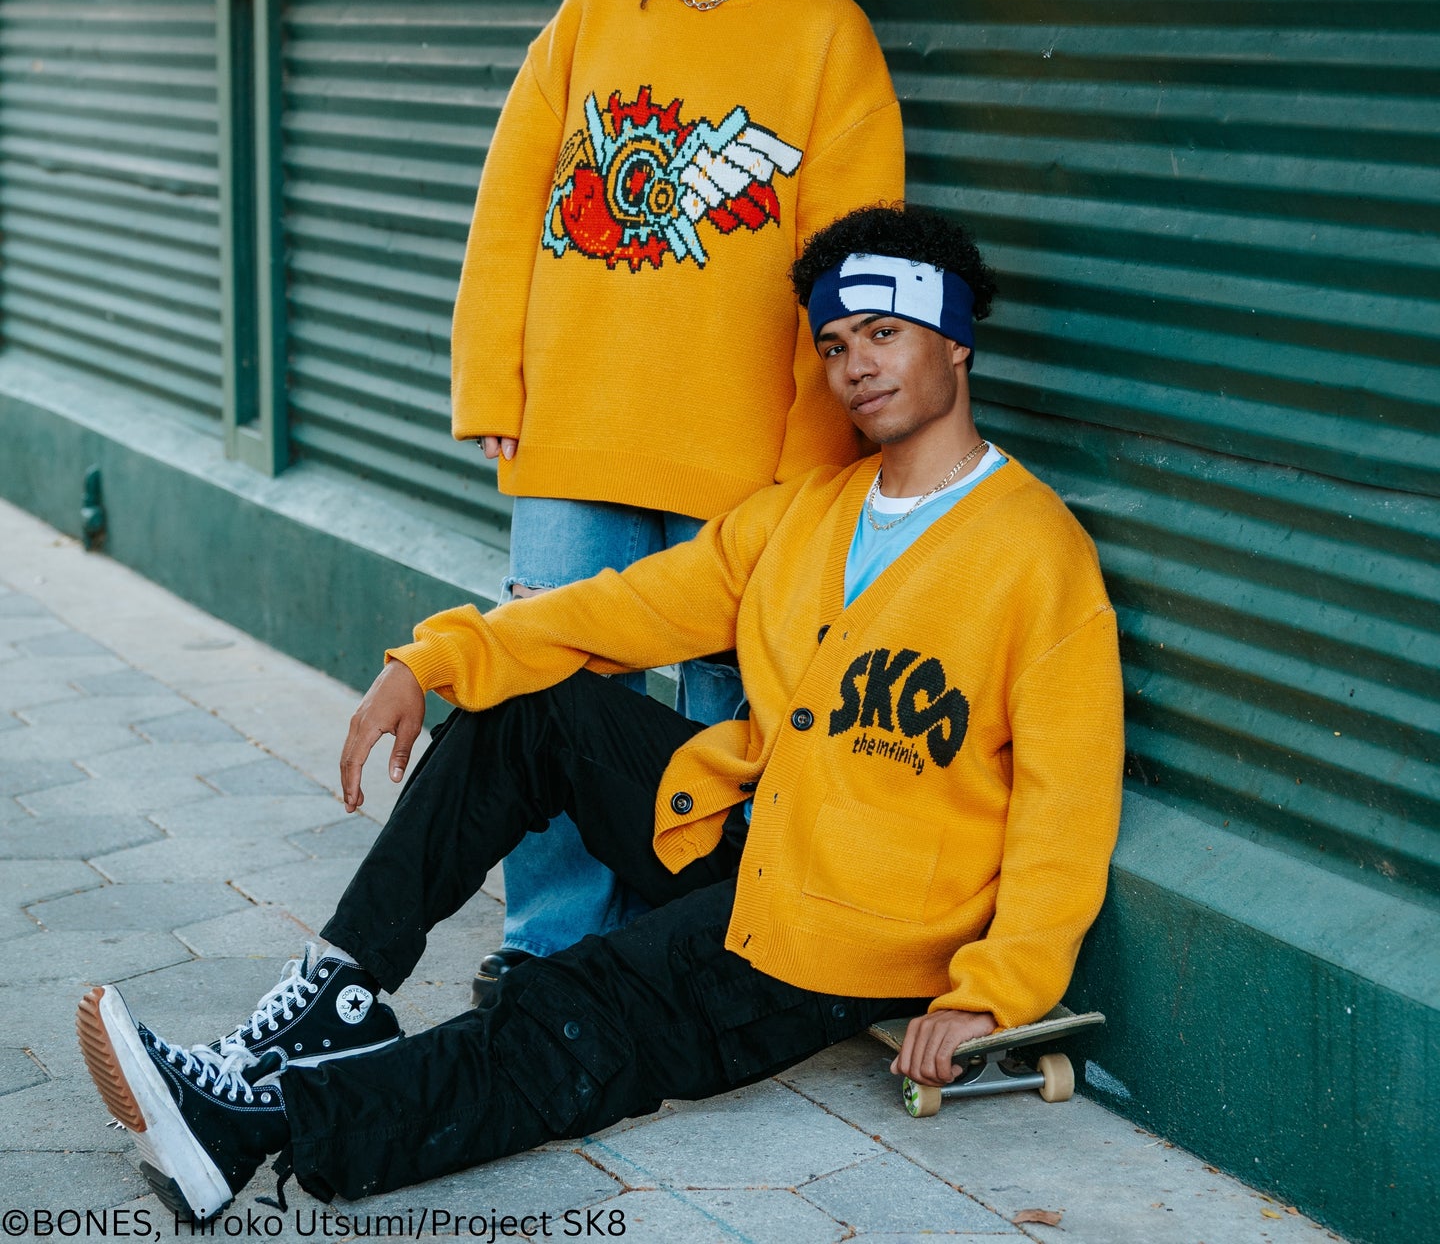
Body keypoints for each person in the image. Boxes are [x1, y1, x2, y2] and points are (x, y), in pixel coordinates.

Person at [76, 204, 1124, 1221]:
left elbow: (1065, 808)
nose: (857, 365)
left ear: (955, 339)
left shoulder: (1035, 555)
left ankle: (257, 1127)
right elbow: (621, 609)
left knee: (576, 1006)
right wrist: (435, 661)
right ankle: (334, 999)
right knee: (538, 710)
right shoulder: (807, 515)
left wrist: (989, 993)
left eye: (885, 333)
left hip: (845, 927)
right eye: (837, 342)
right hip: (750, 842)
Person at [449, 0, 904, 976]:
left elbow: (849, 268)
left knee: (722, 700)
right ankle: (547, 947)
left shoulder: (828, 37)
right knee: (548, 677)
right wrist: (493, 381)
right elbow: (508, 207)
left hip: (738, 449)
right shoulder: (595, 15)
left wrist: (815, 457)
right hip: (576, 426)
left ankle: (679, 948)